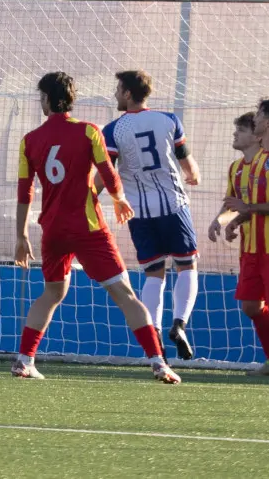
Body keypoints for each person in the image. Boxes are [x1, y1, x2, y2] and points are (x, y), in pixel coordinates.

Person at [13, 72, 179, 384]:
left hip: (53, 231)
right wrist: (117, 199)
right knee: (125, 294)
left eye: (41, 97)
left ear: (48, 99)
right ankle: (158, 362)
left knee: (51, 293)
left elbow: (25, 193)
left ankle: (24, 359)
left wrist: (21, 235)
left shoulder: (29, 141)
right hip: (88, 229)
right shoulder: (89, 131)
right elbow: (109, 173)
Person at [101, 71, 201, 358]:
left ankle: (153, 333)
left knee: (154, 273)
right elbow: (189, 167)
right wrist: (193, 175)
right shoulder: (169, 120)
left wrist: (91, 197)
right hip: (173, 205)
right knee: (186, 266)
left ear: (129, 93)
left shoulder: (113, 130)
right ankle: (179, 324)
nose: (116, 95)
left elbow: (106, 174)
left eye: (119, 90)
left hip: (138, 211)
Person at [210, 113, 269, 376]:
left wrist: (242, 213)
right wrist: (225, 220)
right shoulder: (238, 168)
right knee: (252, 307)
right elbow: (235, 202)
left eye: (240, 130)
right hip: (251, 247)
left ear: (257, 134)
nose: (234, 135)